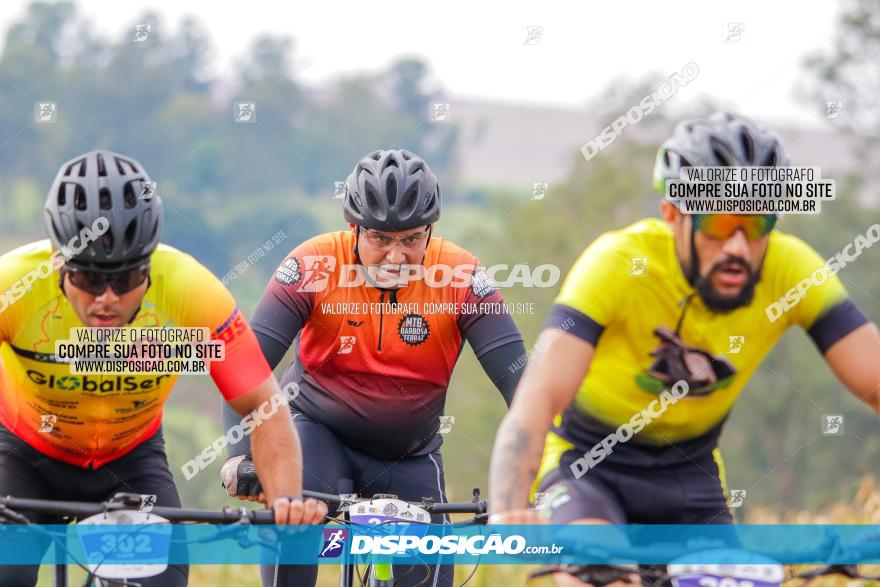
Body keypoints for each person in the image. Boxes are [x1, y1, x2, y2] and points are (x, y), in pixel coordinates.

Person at [487, 113, 880, 585]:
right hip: (585, 467)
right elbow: (538, 398)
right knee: (602, 574)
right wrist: (509, 506)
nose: (737, 245)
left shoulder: (791, 269)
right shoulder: (618, 263)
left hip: (690, 477)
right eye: (719, 221)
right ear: (673, 213)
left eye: (756, 223)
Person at [0, 150, 326, 587]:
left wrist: (285, 499)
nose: (108, 299)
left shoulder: (191, 290)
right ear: (59, 262)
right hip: (23, 456)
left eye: (128, 278)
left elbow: (262, 403)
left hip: (129, 461)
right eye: (91, 279)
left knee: (158, 581)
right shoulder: (14, 284)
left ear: (150, 262)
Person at [219, 148, 526, 586]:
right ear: (353, 229)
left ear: (431, 231)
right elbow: (244, 369)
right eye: (381, 239)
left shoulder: (461, 276)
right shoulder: (312, 265)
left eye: (411, 239)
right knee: (293, 537)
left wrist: (543, 470)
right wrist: (239, 458)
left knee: (426, 576)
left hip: (408, 453)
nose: (395, 257)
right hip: (315, 432)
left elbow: (521, 383)